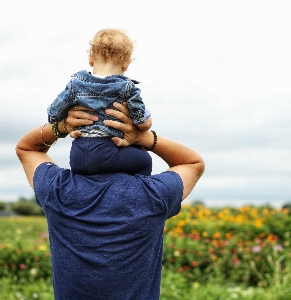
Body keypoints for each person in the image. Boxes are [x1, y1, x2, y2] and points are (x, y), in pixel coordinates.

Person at [15, 102, 205, 299]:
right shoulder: (153, 195)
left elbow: (27, 149)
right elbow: (193, 163)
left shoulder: (58, 190)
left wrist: (61, 127)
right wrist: (145, 137)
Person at [47, 28, 153, 176]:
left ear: (90, 59)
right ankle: (137, 194)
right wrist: (146, 122)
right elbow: (142, 123)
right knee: (144, 160)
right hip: (107, 152)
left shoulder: (75, 84)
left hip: (77, 155)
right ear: (126, 64)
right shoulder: (127, 87)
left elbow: (53, 114)